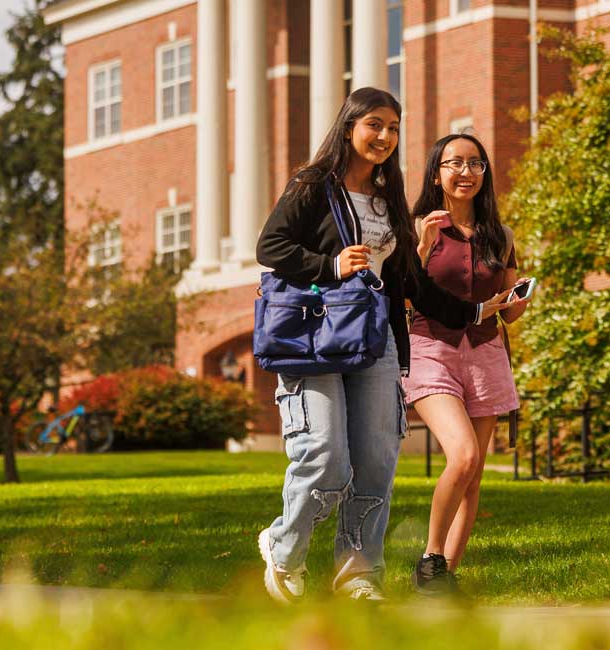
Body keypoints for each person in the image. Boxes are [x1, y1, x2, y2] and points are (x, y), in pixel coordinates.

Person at [254, 88, 522, 603]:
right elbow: (271, 246)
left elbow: (407, 280)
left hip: (376, 338)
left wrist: (471, 313)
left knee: (377, 463)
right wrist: (330, 265)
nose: (384, 136)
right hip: (317, 338)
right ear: (349, 127)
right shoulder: (314, 185)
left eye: (393, 128)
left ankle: (358, 574)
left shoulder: (388, 196)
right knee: (325, 457)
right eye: (374, 125)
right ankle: (284, 547)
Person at [403, 133, 531, 597]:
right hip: (430, 348)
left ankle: (443, 579)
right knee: (463, 455)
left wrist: (517, 300)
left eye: (475, 163)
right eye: (454, 163)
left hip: (486, 352)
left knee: (472, 478)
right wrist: (422, 247)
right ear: (436, 173)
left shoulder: (502, 235)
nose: (466, 172)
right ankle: (430, 560)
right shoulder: (417, 227)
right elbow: (401, 295)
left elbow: (509, 311)